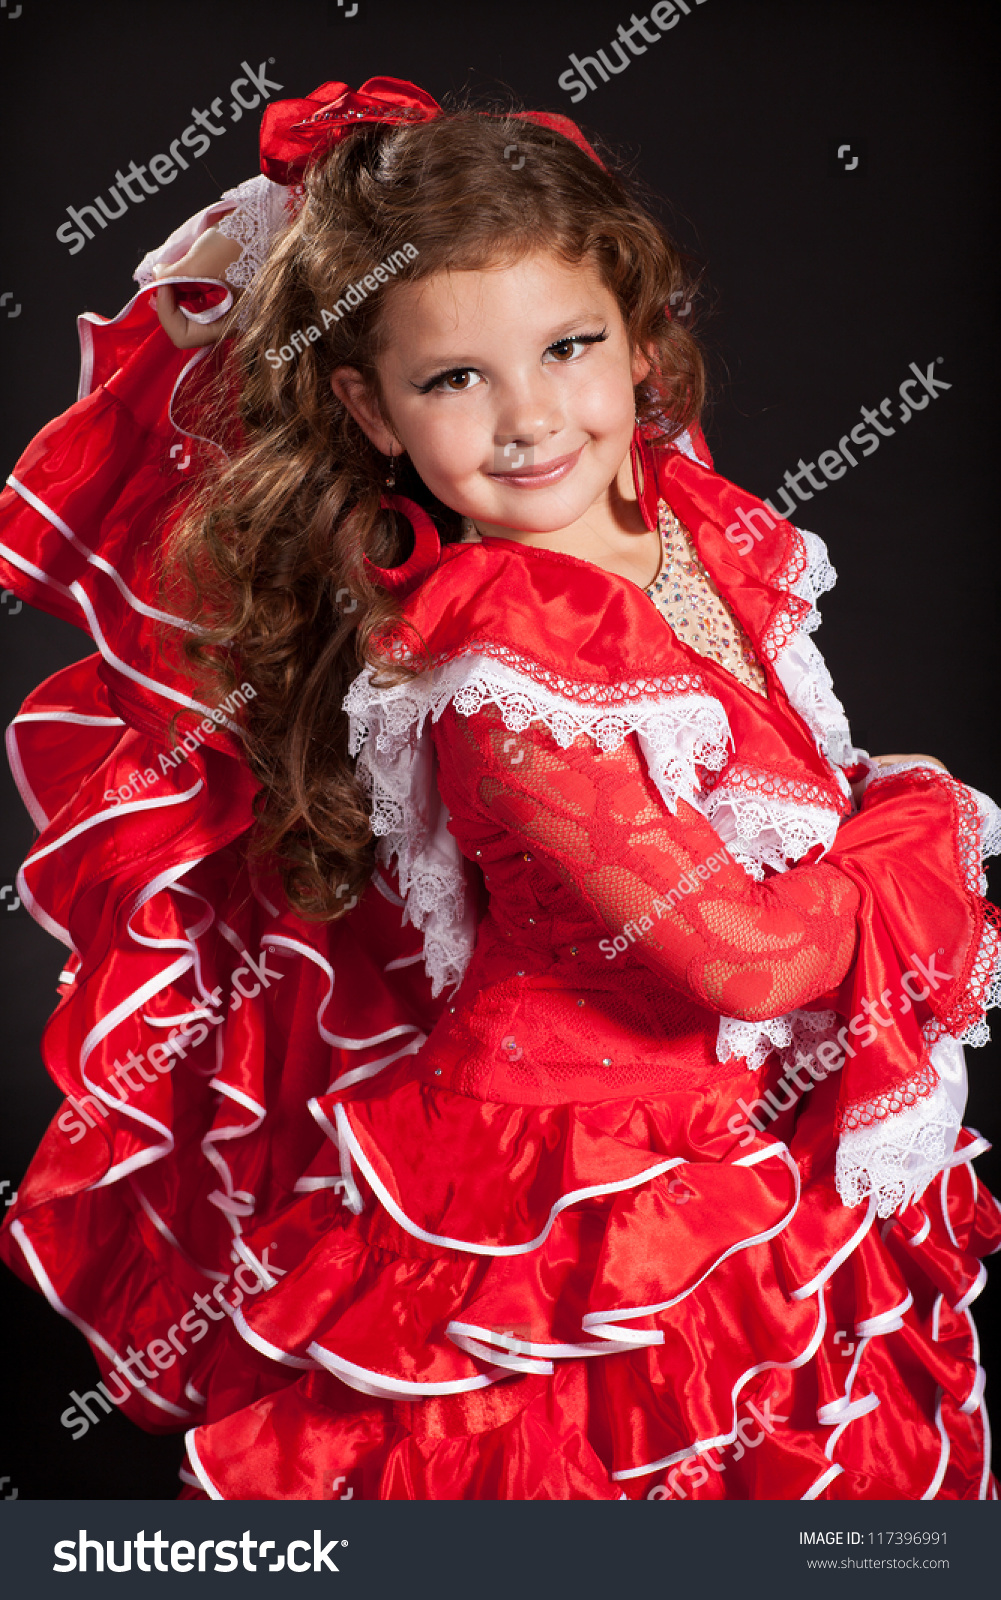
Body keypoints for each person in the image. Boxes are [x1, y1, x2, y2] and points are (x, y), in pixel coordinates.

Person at [1, 77, 998, 1502]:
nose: (529, 419)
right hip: (574, 1185)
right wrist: (928, 822)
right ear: (371, 407)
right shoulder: (500, 661)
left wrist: (867, 809)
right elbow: (746, 957)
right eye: (453, 379)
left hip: (750, 1133)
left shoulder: (688, 523)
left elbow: (778, 793)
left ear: (640, 346)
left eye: (567, 348)